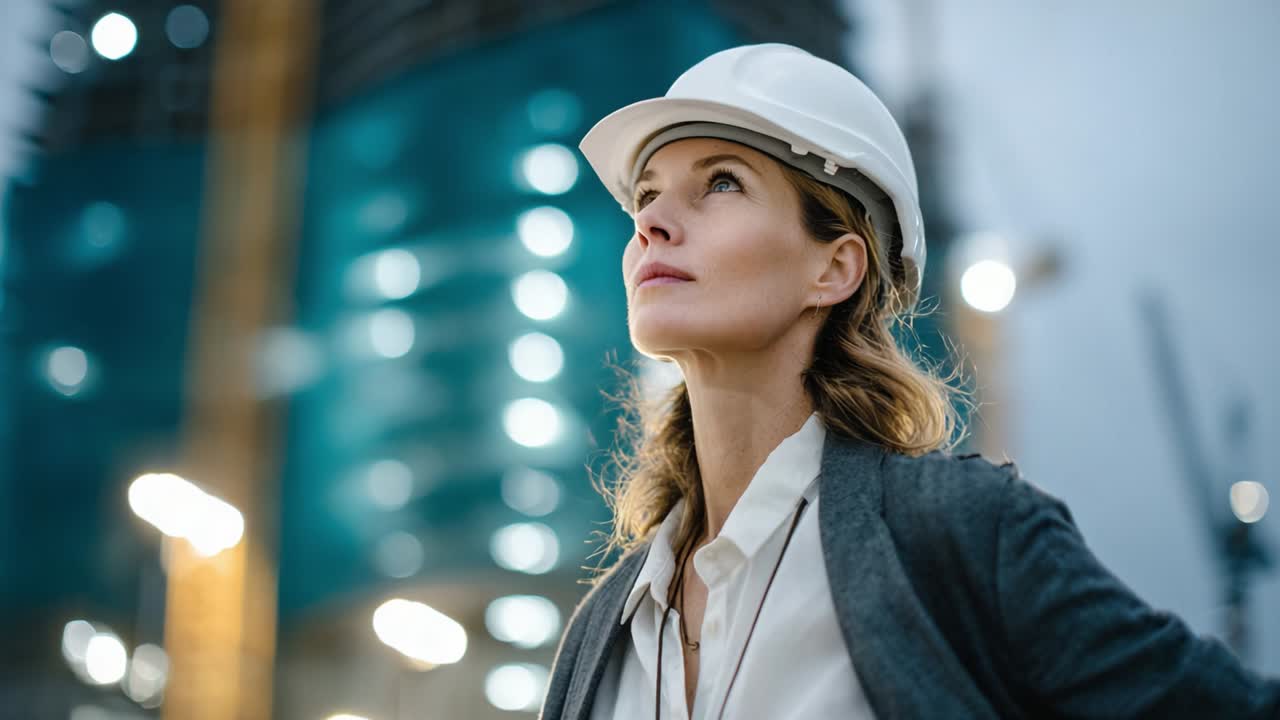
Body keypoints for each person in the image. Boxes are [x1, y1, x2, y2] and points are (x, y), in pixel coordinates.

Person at [539, 43, 1280, 720]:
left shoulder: (961, 533)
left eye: (721, 183)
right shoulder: (601, 633)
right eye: (645, 195)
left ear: (834, 268)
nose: (652, 223)